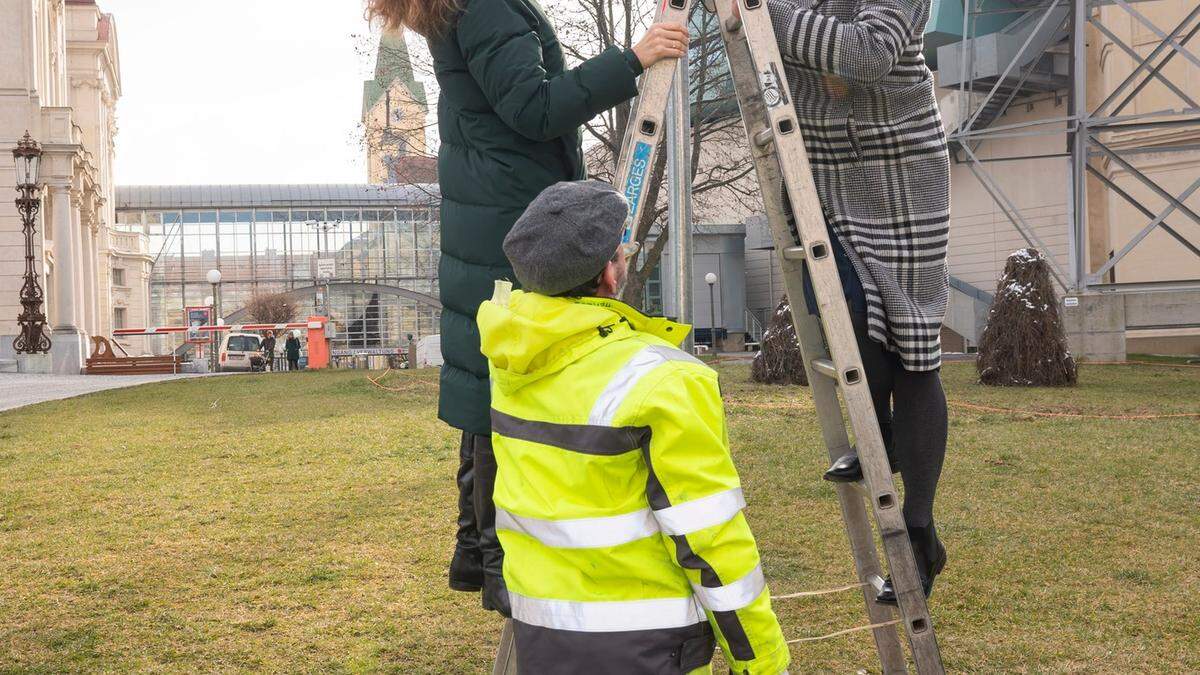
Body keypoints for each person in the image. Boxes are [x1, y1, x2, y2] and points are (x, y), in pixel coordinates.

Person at [366, 0, 690, 616]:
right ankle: (499, 569)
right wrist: (632, 58)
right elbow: (535, 109)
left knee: (487, 382)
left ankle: (479, 551)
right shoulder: (486, 5)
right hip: (509, 216)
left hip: (494, 210)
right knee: (500, 389)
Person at [476, 181, 790, 674]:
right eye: (624, 250)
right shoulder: (664, 378)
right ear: (608, 271)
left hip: (543, 636)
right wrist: (763, 662)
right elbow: (710, 539)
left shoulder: (510, 355)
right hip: (646, 645)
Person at [758, 0, 950, 603]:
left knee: (912, 341)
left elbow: (867, 53)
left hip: (902, 164)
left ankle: (919, 531)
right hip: (820, 167)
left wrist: (765, 12)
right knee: (847, 315)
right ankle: (881, 434)